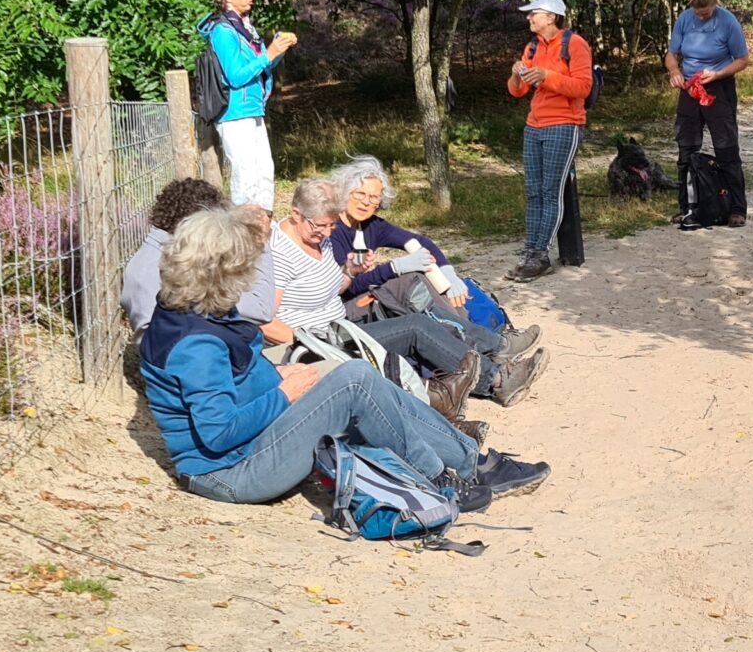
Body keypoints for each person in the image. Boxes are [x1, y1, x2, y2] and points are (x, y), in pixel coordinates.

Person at [137, 208, 548, 508]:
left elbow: (232, 378)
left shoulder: (192, 305)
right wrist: (285, 391)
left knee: (355, 375)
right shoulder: (195, 343)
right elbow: (218, 433)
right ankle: (442, 478)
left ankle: (469, 460)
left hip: (250, 446)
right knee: (351, 379)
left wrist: (277, 373)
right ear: (222, 271)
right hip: (230, 471)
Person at [323, 155, 540, 362]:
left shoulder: (372, 226)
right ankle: (491, 345)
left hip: (363, 299)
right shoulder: (330, 230)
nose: (365, 202)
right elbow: (345, 287)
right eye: (359, 194)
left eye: (373, 197)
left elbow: (421, 242)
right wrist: (395, 267)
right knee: (405, 281)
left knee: (421, 278)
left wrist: (448, 274)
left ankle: (481, 342)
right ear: (345, 192)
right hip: (343, 311)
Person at [121, 178, 293, 351]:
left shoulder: (155, 254)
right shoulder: (178, 266)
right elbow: (261, 310)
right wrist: (259, 241)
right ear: (198, 225)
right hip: (202, 357)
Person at [505, 0, 592, 283]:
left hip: (564, 124)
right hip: (535, 124)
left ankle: (540, 254)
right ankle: (531, 250)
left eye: (534, 13)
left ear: (552, 17)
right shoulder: (532, 46)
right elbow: (517, 91)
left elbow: (583, 87)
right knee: (533, 191)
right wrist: (518, 74)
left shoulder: (575, 44)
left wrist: (546, 77)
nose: (529, 17)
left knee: (550, 192)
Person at [204, 0, 297, 208]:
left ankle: (263, 231)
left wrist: (278, 51)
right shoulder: (223, 31)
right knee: (246, 179)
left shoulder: (245, 28)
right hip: (234, 112)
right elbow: (235, 77)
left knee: (264, 174)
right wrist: (269, 54)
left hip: (253, 109)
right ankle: (244, 234)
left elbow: (258, 67)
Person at [666, 0, 751, 227]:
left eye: (706, 12)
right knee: (686, 149)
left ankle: (737, 207)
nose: (701, 16)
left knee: (726, 148)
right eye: (698, 12)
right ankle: (688, 206)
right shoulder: (684, 19)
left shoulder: (727, 22)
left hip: (718, 85)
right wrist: (674, 72)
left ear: (715, 4)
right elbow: (672, 54)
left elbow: (742, 59)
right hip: (690, 86)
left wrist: (719, 73)